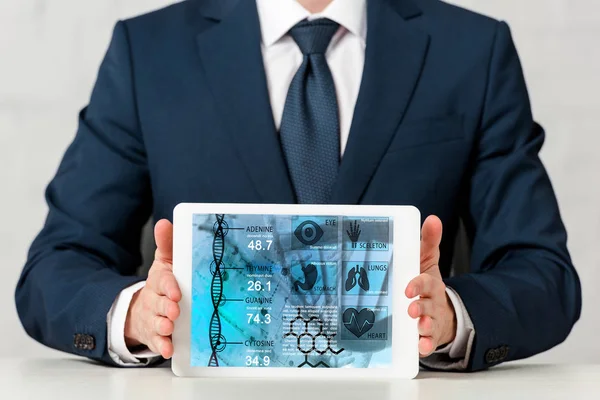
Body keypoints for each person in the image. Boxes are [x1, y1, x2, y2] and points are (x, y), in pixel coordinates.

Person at [15, 0, 581, 372]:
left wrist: (452, 314)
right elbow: (56, 263)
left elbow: (543, 272)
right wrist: (137, 313)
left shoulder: (471, 52)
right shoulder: (150, 52)